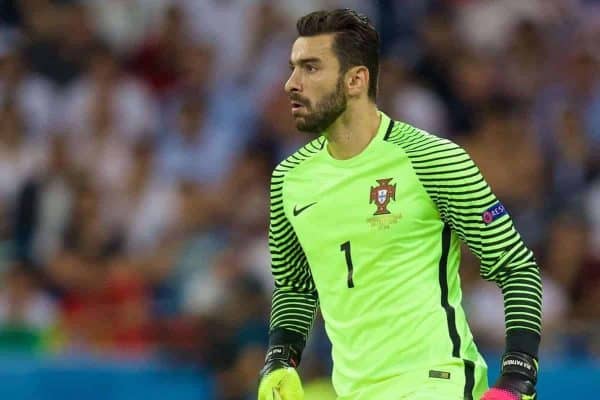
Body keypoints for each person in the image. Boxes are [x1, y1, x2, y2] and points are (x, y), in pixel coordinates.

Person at [258, 9, 542, 400]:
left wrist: (517, 379)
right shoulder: (289, 179)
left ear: (355, 79)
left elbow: (516, 267)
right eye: (293, 68)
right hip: (352, 391)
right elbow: (294, 286)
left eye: (310, 68)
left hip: (435, 382)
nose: (291, 83)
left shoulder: (432, 159)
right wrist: (279, 361)